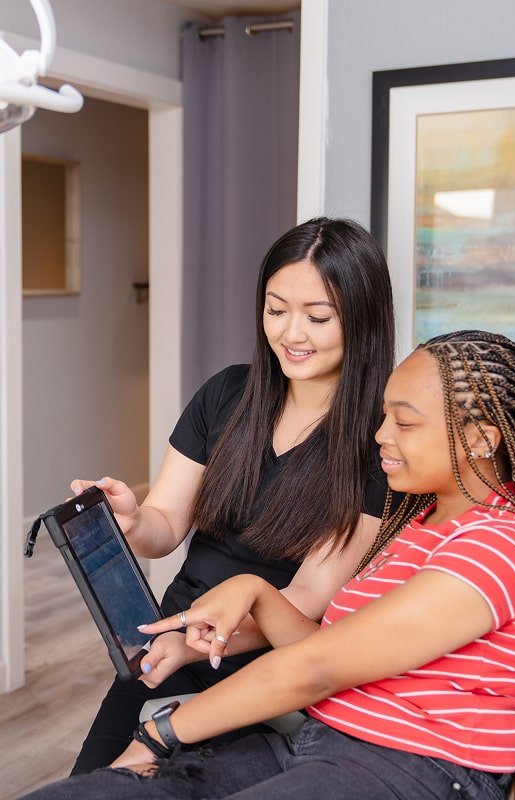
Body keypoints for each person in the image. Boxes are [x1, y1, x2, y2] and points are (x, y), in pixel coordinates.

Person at [23, 330, 515, 800]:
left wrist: (158, 736)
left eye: (405, 423)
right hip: (317, 743)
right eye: (385, 416)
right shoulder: (418, 527)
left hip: (414, 768)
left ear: (481, 438)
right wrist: (256, 591)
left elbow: (314, 670)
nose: (381, 436)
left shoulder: (502, 543)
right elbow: (337, 655)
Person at [67, 216, 397, 774]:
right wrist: (131, 520)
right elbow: (165, 525)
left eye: (317, 317)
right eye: (276, 310)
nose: (292, 334)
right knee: (92, 783)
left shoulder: (379, 443)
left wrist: (198, 645)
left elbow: (308, 597)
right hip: (168, 641)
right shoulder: (226, 393)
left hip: (261, 666)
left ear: (362, 320)